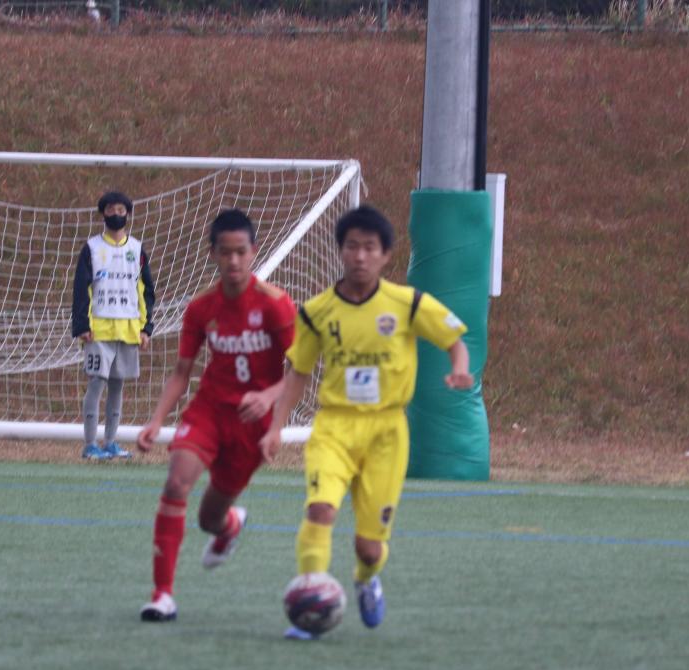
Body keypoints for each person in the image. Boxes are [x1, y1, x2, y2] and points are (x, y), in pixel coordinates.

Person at [260, 205, 474, 640]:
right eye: (352, 246)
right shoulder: (316, 311)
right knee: (320, 510)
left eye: (370, 248)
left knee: (370, 547)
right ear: (340, 251)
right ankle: (310, 606)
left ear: (386, 255)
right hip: (334, 428)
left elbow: (454, 339)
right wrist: (276, 425)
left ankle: (365, 578)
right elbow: (298, 372)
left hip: (387, 433)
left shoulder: (407, 303)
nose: (360, 256)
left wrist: (459, 368)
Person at [134, 209, 297, 622]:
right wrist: (156, 420)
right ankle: (162, 595)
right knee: (176, 483)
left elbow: (301, 370)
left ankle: (229, 527)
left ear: (253, 251)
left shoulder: (276, 305)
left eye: (241, 252)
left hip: (252, 427)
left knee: (209, 518)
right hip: (208, 411)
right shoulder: (200, 308)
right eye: (225, 253)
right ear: (213, 254)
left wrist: (270, 399)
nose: (234, 261)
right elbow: (181, 372)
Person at [71, 190, 156, 461]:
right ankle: (89, 444)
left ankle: (110, 442)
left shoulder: (136, 249)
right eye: (111, 210)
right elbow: (81, 289)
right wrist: (82, 324)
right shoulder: (92, 248)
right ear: (103, 214)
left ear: (128, 214)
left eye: (121, 210)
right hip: (99, 330)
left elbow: (146, 291)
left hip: (128, 330)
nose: (116, 215)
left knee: (118, 386)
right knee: (97, 383)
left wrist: (146, 328)